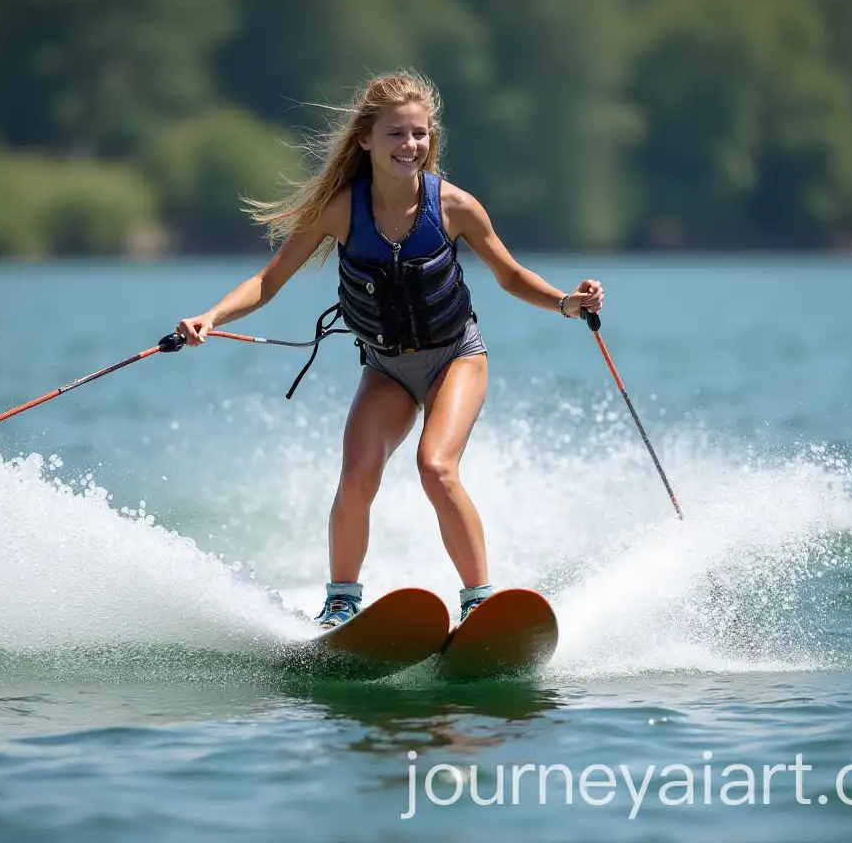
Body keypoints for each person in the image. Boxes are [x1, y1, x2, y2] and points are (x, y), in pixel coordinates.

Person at [176, 70, 603, 629]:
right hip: (387, 369)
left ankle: (479, 601)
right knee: (357, 475)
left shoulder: (454, 206)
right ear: (366, 142)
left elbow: (511, 275)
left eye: (420, 134)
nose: (411, 146)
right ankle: (341, 604)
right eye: (396, 135)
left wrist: (566, 303)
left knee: (436, 467)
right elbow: (268, 281)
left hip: (456, 357)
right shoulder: (339, 210)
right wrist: (211, 316)